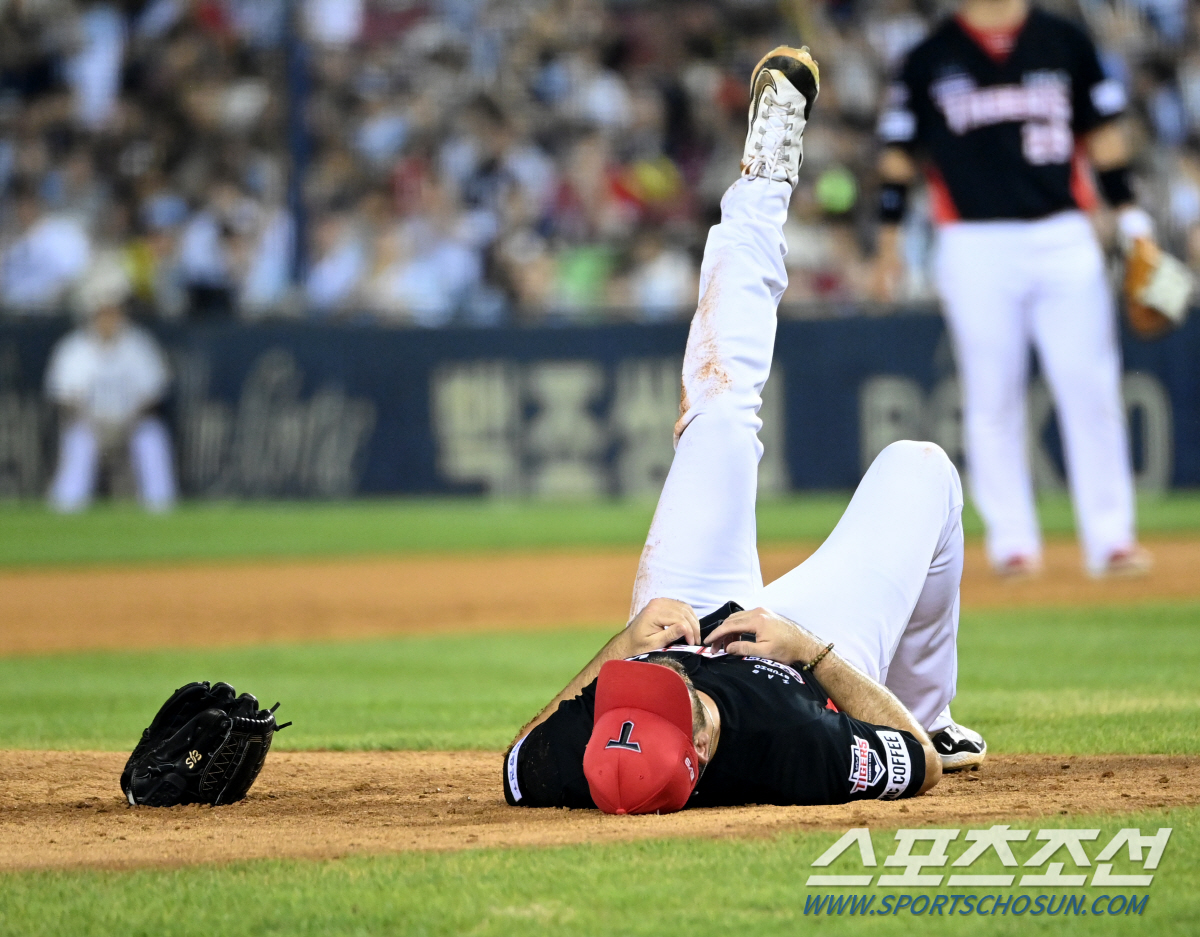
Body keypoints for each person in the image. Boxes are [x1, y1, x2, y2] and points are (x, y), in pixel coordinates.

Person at [503, 46, 985, 817]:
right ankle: (926, 702)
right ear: (699, 750)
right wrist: (809, 650)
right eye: (670, 702)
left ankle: (766, 171)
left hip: (691, 605)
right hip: (808, 659)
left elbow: (518, 761)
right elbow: (916, 766)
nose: (661, 685)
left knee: (720, 407)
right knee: (923, 468)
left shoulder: (595, 751)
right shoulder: (793, 746)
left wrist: (624, 649)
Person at [873, 0, 1154, 579]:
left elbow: (1104, 138)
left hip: (1063, 231)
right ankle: (1012, 542)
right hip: (973, 242)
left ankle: (1111, 538)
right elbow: (899, 156)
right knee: (992, 393)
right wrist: (889, 244)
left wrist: (1132, 221)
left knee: (1090, 386)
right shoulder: (930, 57)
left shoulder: (1064, 41)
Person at [45, 255, 177, 513]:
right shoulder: (74, 349)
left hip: (131, 423)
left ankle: (162, 509)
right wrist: (94, 422)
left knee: (151, 437)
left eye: (113, 311)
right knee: (80, 442)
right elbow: (64, 398)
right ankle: (66, 510)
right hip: (90, 423)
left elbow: (153, 394)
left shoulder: (138, 344)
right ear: (92, 315)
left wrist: (128, 421)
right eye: (103, 312)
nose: (109, 318)